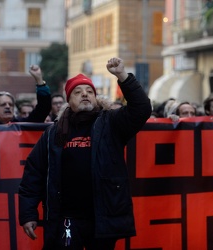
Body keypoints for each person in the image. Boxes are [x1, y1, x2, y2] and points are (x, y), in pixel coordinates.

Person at [18, 57, 152, 249]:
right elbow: (34, 174)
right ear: (69, 101)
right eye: (78, 92)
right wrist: (28, 214)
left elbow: (141, 109)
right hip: (66, 219)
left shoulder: (111, 123)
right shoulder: (53, 133)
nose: (85, 94)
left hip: (102, 218)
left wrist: (123, 76)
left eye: (90, 91)